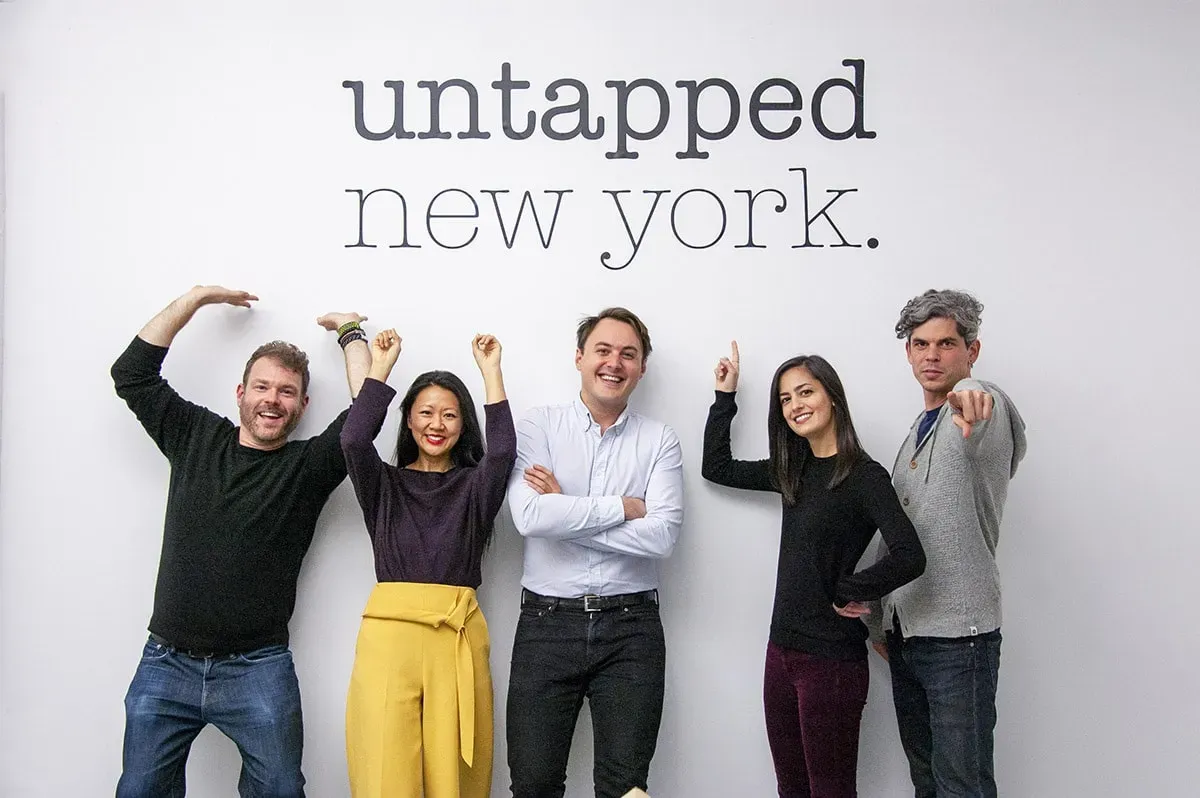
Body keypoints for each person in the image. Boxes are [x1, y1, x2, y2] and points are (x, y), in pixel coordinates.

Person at [111, 285, 369, 797]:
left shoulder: (306, 468)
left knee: (278, 789)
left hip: (258, 669)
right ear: (241, 393)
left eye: (287, 391)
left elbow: (365, 419)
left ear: (302, 404)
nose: (272, 399)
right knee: (139, 790)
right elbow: (131, 373)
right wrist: (197, 298)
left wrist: (351, 333)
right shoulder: (195, 436)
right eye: (262, 387)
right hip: (166, 663)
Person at [701, 343, 926, 798]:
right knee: (791, 788)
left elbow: (910, 554)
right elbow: (716, 467)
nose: (795, 405)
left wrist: (850, 588)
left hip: (831, 661)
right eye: (785, 399)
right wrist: (725, 397)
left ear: (833, 398)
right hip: (779, 653)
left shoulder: (865, 475)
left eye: (805, 392)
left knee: (831, 791)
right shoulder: (793, 469)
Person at [505, 307, 684, 798]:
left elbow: (662, 537)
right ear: (580, 358)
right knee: (534, 784)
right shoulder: (538, 426)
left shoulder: (659, 440)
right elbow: (528, 518)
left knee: (625, 787)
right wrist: (622, 508)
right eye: (603, 350)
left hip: (632, 630)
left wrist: (565, 510)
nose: (615, 363)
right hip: (545, 626)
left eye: (629, 354)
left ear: (642, 367)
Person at [340, 328, 515, 798]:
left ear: (462, 425)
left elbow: (501, 454)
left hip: (454, 637)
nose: (437, 424)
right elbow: (354, 439)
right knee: (384, 769)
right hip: (389, 639)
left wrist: (491, 372)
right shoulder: (383, 486)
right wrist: (380, 367)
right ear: (410, 422)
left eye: (450, 415)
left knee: (454, 776)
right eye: (426, 413)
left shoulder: (475, 488)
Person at [867, 289, 1027, 798]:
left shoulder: (981, 411)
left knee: (963, 786)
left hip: (962, 639)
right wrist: (878, 617)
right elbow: (900, 531)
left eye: (948, 343)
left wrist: (976, 394)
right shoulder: (917, 428)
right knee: (927, 782)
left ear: (972, 351)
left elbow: (984, 409)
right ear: (909, 352)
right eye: (921, 344)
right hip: (908, 636)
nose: (932, 355)